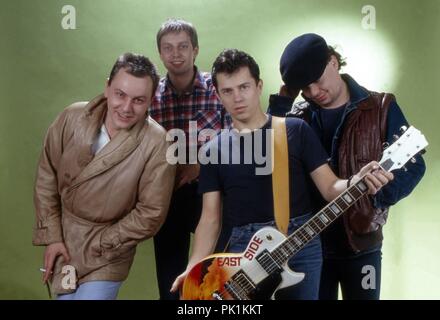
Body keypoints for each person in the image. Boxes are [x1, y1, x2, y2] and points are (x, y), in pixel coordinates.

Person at [170, 49, 393, 300]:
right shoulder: (212, 150)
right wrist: (193, 267)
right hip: (244, 253)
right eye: (228, 91)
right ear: (218, 95)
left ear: (258, 86)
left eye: (244, 87)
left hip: (301, 244)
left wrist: (355, 180)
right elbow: (210, 220)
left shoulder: (295, 130)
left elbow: (330, 188)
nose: (238, 98)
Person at [267, 33, 426, 300]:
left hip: (362, 246)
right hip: (310, 247)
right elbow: (267, 159)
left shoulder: (381, 107)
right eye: (305, 89)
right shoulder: (297, 117)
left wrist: (375, 198)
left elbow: (414, 164)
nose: (314, 93)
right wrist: (284, 102)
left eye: (317, 81)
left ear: (333, 62)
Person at [32, 53, 175, 300]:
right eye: (120, 94)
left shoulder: (158, 142)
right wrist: (53, 237)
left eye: (139, 100)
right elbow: (47, 177)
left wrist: (103, 241)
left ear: (151, 100)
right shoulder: (72, 117)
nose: (127, 108)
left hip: (108, 251)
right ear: (107, 86)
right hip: (65, 240)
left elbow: (151, 212)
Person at [149, 18, 231, 300]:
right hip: (168, 196)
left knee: (217, 273)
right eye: (168, 48)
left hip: (214, 193)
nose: (176, 54)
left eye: (183, 46)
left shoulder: (217, 88)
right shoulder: (152, 96)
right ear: (160, 53)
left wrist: (201, 164)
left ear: (195, 49)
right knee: (171, 279)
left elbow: (238, 135)